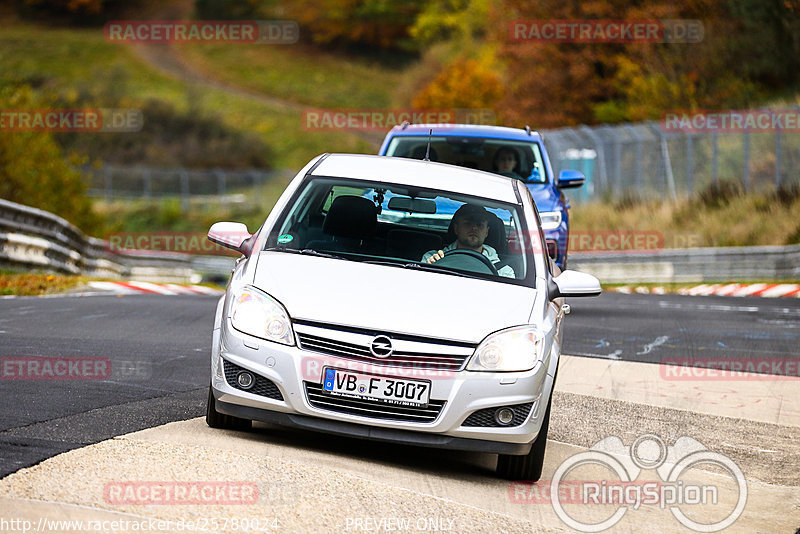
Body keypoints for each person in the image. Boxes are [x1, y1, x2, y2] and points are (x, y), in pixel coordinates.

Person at [422, 203, 515, 278]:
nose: (474, 228)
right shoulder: (432, 258)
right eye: (467, 223)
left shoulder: (503, 272)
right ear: (456, 229)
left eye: (480, 224)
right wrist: (429, 268)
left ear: (486, 232)